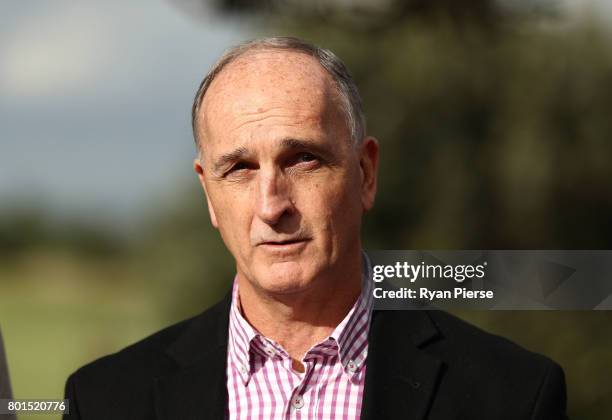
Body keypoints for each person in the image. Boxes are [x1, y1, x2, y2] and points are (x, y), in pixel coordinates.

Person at [63, 37, 567, 419]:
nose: (271, 205)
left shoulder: (514, 395)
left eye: (302, 158)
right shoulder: (105, 401)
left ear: (365, 175)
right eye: (239, 169)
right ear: (207, 194)